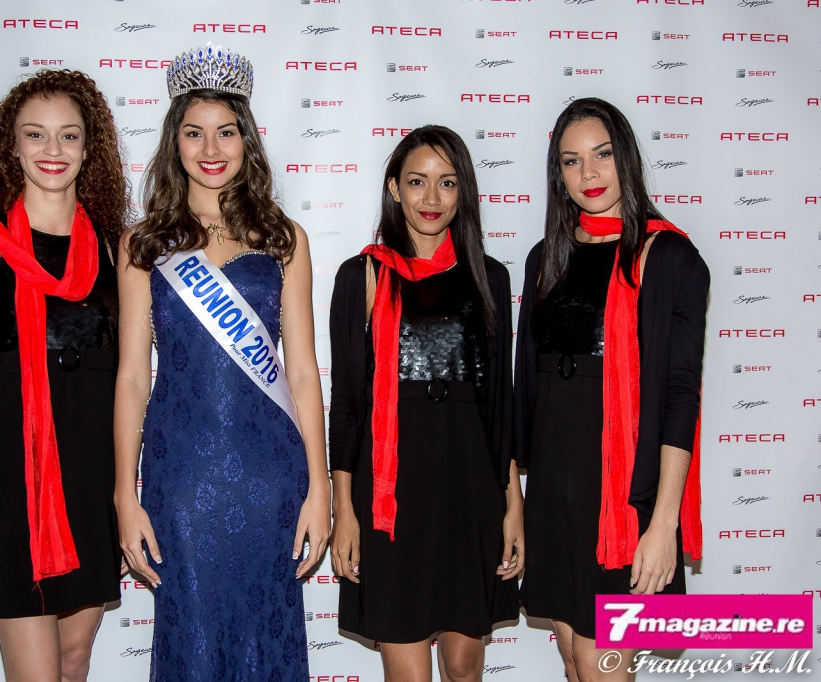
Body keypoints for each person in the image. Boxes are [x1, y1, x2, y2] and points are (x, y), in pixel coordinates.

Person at [113, 43, 330, 680]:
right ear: (173, 142)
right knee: (194, 640)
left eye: (226, 131)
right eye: (194, 132)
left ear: (247, 140)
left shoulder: (284, 239)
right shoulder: (143, 244)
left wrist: (319, 488)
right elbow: (132, 378)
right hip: (181, 476)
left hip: (270, 476)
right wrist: (124, 495)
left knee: (265, 633)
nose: (211, 148)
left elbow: (301, 372)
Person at [0, 69, 129, 682]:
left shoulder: (115, 250)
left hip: (89, 485)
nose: (52, 149)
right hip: (10, 491)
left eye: (69, 135)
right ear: (10, 146)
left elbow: (127, 384)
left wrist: (124, 498)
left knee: (73, 661)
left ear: (89, 148)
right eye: (35, 134)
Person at [514, 97, 709, 681]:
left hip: (624, 500)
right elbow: (530, 385)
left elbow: (679, 398)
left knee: (601, 666)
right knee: (575, 660)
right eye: (571, 161)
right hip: (556, 492)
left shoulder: (668, 256)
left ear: (626, 157)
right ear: (558, 174)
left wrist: (662, 524)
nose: (589, 174)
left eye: (602, 155)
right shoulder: (545, 258)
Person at [329, 125, 524, 682]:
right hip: (390, 499)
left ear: (464, 191)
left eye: (447, 183)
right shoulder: (362, 276)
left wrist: (513, 505)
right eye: (417, 182)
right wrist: (346, 511)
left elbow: (500, 406)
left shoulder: (489, 277)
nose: (431, 198)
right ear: (395, 188)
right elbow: (347, 407)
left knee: (463, 667)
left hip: (470, 491)